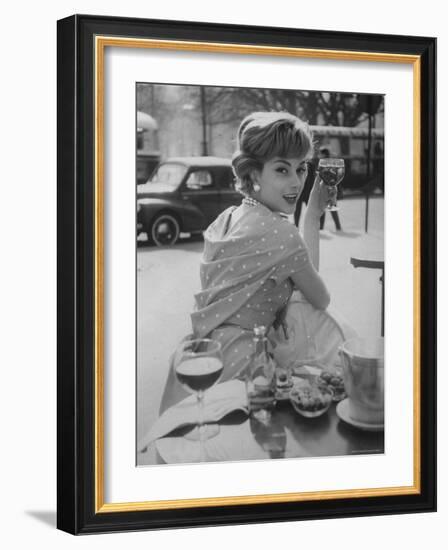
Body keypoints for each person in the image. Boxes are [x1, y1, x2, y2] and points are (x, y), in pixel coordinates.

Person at [162, 112, 353, 406]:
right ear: (252, 175)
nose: (296, 182)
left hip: (205, 354)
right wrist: (313, 215)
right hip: (245, 365)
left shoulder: (225, 219)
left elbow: (289, 271)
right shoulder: (281, 234)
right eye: (281, 170)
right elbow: (320, 298)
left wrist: (311, 214)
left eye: (301, 168)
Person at [295, 146, 342, 230]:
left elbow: (320, 176)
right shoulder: (318, 162)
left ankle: (323, 228)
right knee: (325, 208)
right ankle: (327, 227)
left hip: (324, 188)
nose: (318, 155)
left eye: (320, 153)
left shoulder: (322, 163)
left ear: (323, 154)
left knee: (324, 208)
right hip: (321, 188)